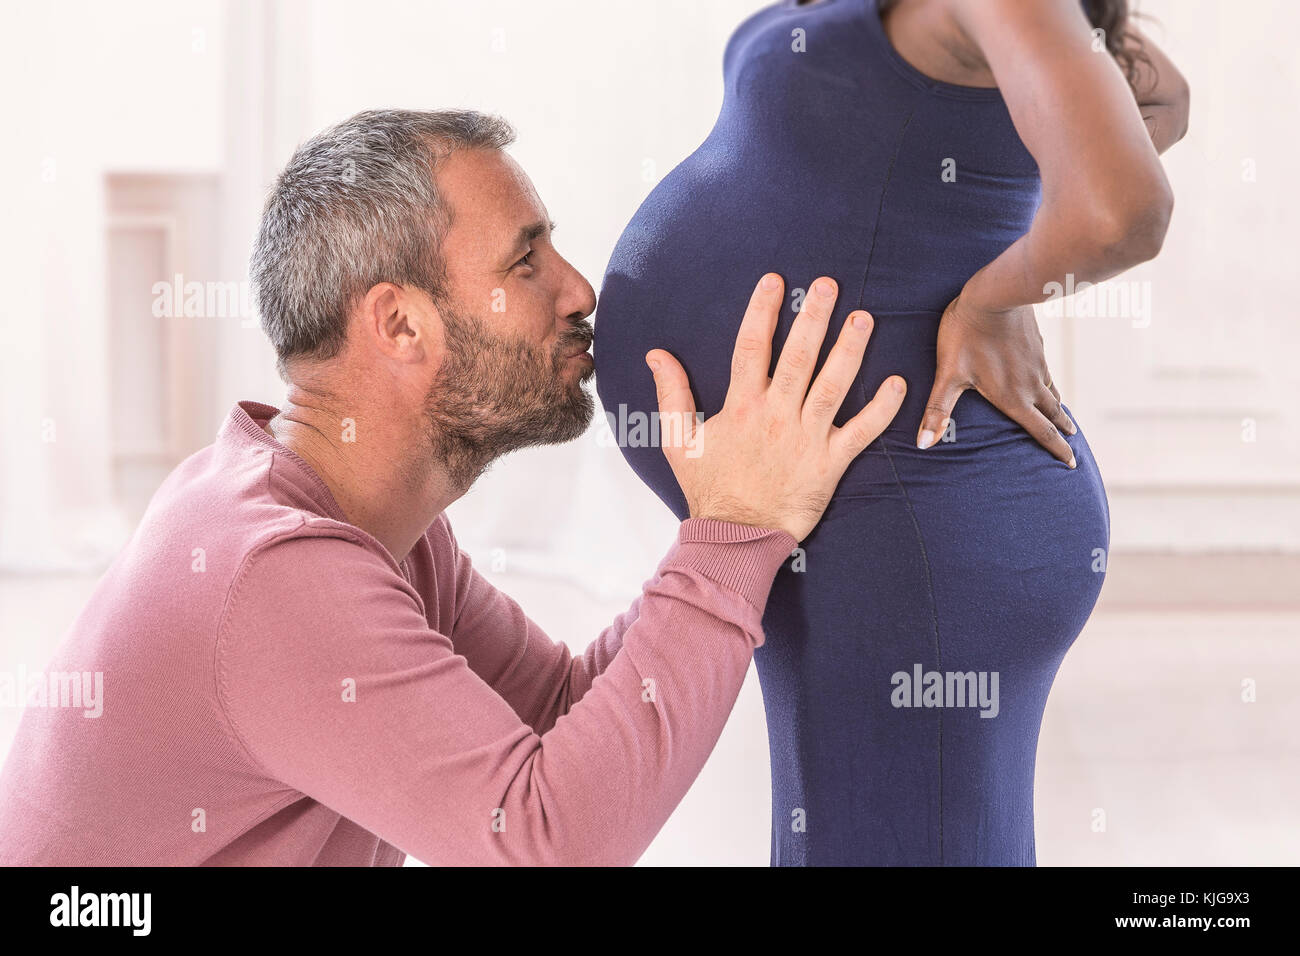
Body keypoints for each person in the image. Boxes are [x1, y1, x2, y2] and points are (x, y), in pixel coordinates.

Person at [0, 109, 905, 865]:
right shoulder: (271, 572)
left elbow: (559, 708)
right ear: (399, 323)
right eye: (526, 263)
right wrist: (735, 533)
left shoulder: (369, 521)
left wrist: (728, 515)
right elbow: (548, 840)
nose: (579, 288)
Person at [593, 0, 1188, 864]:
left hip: (916, 525)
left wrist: (996, 291)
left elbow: (1122, 206)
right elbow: (1154, 97)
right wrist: (985, 240)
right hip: (861, 519)